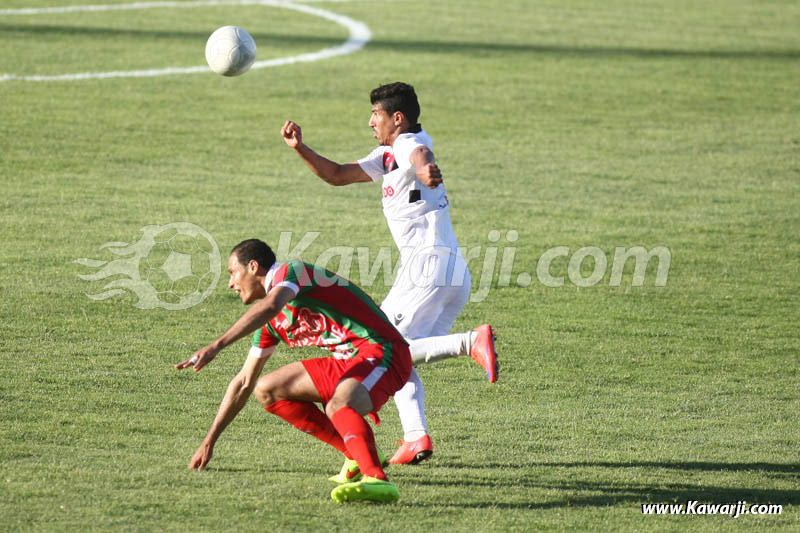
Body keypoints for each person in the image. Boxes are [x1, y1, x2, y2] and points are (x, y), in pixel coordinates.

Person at [281, 81, 498, 466]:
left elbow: (419, 153)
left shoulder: (407, 143)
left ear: (397, 119)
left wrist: (425, 168)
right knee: (399, 357)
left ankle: (469, 342)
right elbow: (337, 174)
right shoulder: (386, 156)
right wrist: (300, 148)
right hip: (450, 271)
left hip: (427, 268)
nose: (370, 122)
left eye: (376, 115)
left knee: (382, 346)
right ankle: (415, 437)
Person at [176, 239, 412, 503]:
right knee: (267, 389)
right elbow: (243, 382)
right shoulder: (271, 322)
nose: (231, 283)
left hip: (383, 351)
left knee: (338, 405)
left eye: (232, 273)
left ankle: (377, 479)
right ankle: (356, 453)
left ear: (253, 267)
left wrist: (216, 346)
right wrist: (209, 441)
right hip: (349, 362)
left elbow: (271, 305)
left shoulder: (293, 272)